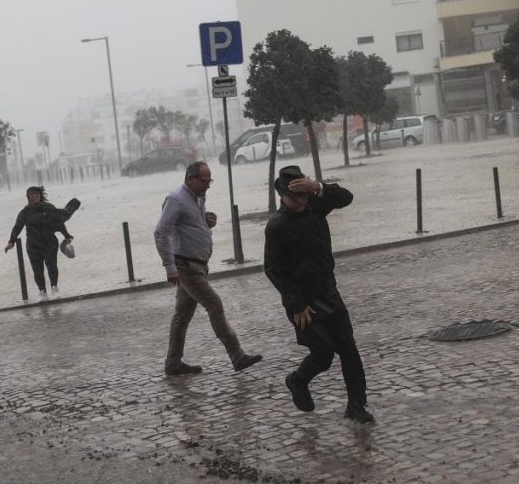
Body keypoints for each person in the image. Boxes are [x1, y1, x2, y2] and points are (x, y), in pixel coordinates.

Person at [263, 165, 374, 423]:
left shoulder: (315, 206)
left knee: (348, 348)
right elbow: (273, 269)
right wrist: (297, 304)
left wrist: (317, 187)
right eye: (295, 197)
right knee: (323, 354)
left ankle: (356, 405)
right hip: (304, 304)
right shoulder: (276, 226)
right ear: (282, 196)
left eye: (303, 195)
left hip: (329, 292)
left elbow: (346, 197)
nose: (300, 202)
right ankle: (297, 380)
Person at [154, 161, 263, 376]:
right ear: (190, 179)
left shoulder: (198, 197)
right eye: (204, 181)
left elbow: (188, 225)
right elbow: (160, 232)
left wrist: (205, 222)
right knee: (214, 305)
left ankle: (173, 362)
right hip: (185, 266)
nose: (208, 185)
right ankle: (237, 355)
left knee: (181, 316)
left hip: (198, 264)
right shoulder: (175, 199)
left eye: (209, 180)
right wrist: (169, 267)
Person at [4, 186, 73, 300]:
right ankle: (42, 292)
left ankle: (54, 288)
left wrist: (66, 235)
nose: (35, 196)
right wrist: (11, 241)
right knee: (37, 269)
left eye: (37, 194)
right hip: (33, 244)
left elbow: (58, 221)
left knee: (51, 263)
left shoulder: (48, 207)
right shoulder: (25, 212)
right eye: (32, 194)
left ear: (40, 195)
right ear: (28, 197)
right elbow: (17, 226)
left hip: (49, 241)